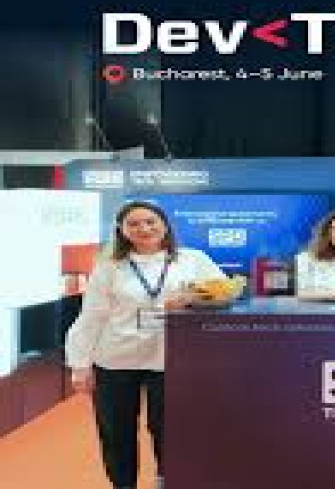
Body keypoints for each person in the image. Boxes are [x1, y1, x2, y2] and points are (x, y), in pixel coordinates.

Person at [65, 201, 227, 489]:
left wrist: (192, 299)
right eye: (134, 224)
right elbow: (91, 315)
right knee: (116, 430)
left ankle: (168, 479)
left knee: (169, 429)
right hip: (115, 357)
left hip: (171, 358)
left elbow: (224, 293)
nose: (144, 228)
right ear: (122, 230)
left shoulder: (192, 259)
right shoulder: (110, 266)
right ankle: (123, 484)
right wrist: (80, 364)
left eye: (151, 221)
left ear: (164, 225)